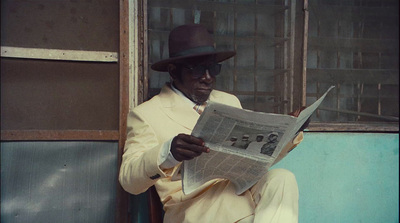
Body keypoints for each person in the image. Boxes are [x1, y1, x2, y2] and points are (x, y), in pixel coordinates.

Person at [119, 24, 306, 223]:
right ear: (173, 72)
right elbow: (129, 181)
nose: (208, 77)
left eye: (213, 68)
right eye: (199, 69)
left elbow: (256, 154)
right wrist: (169, 153)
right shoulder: (146, 115)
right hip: (194, 208)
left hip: (240, 193)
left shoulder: (228, 101)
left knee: (282, 178)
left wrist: (291, 130)